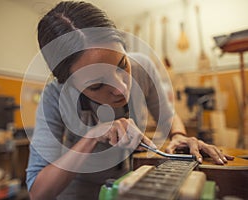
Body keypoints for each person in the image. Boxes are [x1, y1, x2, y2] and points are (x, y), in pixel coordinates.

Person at [25, 1, 234, 199]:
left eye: (122, 64)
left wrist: (179, 136)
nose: (122, 89)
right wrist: (92, 136)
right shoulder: (53, 96)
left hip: (128, 184)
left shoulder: (143, 67)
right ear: (68, 84)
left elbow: (168, 117)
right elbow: (38, 191)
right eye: (96, 85)